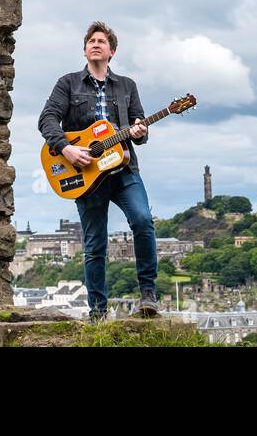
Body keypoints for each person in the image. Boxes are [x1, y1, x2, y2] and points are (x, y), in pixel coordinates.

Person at [38, 21, 159, 320]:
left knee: (143, 221)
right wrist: (66, 147)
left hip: (123, 169)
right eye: (91, 40)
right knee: (95, 245)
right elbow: (47, 119)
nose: (96, 44)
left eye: (101, 41)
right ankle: (98, 313)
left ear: (111, 51)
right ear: (84, 49)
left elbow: (138, 128)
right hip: (87, 175)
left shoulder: (127, 86)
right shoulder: (67, 83)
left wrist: (140, 131)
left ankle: (148, 295)